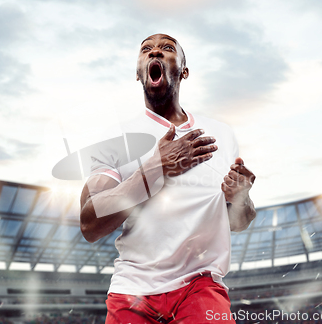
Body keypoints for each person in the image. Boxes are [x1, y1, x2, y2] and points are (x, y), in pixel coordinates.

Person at [80, 33, 256, 324]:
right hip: (132, 289)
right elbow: (90, 223)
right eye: (146, 50)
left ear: (184, 71)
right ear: (138, 73)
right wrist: (156, 169)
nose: (155, 53)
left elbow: (239, 221)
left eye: (167, 48)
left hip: (200, 285)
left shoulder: (222, 134)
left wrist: (241, 198)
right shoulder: (114, 139)